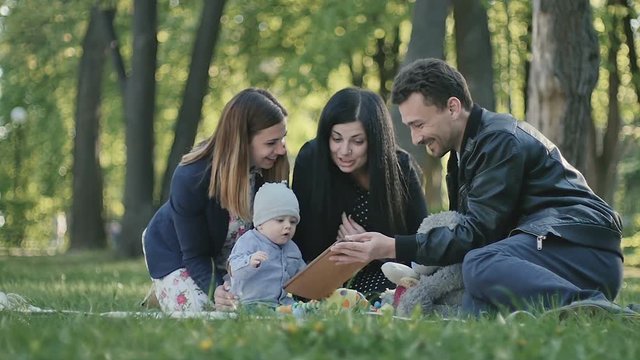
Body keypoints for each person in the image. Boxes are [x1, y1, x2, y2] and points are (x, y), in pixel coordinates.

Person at [330, 58, 627, 315]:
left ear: (453, 107)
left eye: (419, 124)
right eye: (409, 127)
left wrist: (392, 245)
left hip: (581, 251)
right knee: (473, 303)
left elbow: (476, 236)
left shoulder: (499, 140)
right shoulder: (461, 157)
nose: (416, 138)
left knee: (478, 264)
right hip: (541, 257)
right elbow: (465, 236)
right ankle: (567, 307)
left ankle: (592, 307)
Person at [142, 88, 289, 312]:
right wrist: (216, 290)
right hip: (179, 252)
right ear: (241, 141)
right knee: (203, 311)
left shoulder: (266, 171)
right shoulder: (192, 177)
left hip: (231, 254)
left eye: (282, 139)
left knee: (254, 306)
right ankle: (168, 286)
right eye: (271, 143)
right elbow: (195, 255)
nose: (281, 149)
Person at [292, 87, 428, 300]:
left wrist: (373, 251)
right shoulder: (311, 160)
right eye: (336, 139)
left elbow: (421, 243)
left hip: (383, 274)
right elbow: (299, 237)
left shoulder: (400, 167)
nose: (344, 151)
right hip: (323, 277)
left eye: (357, 141)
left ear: (375, 141)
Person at [228, 182, 306, 307]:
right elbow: (233, 269)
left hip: (282, 303)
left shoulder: (292, 248)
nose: (288, 226)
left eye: (293, 222)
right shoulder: (249, 241)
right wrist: (249, 262)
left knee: (301, 311)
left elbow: (303, 275)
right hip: (252, 302)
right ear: (260, 224)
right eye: (280, 220)